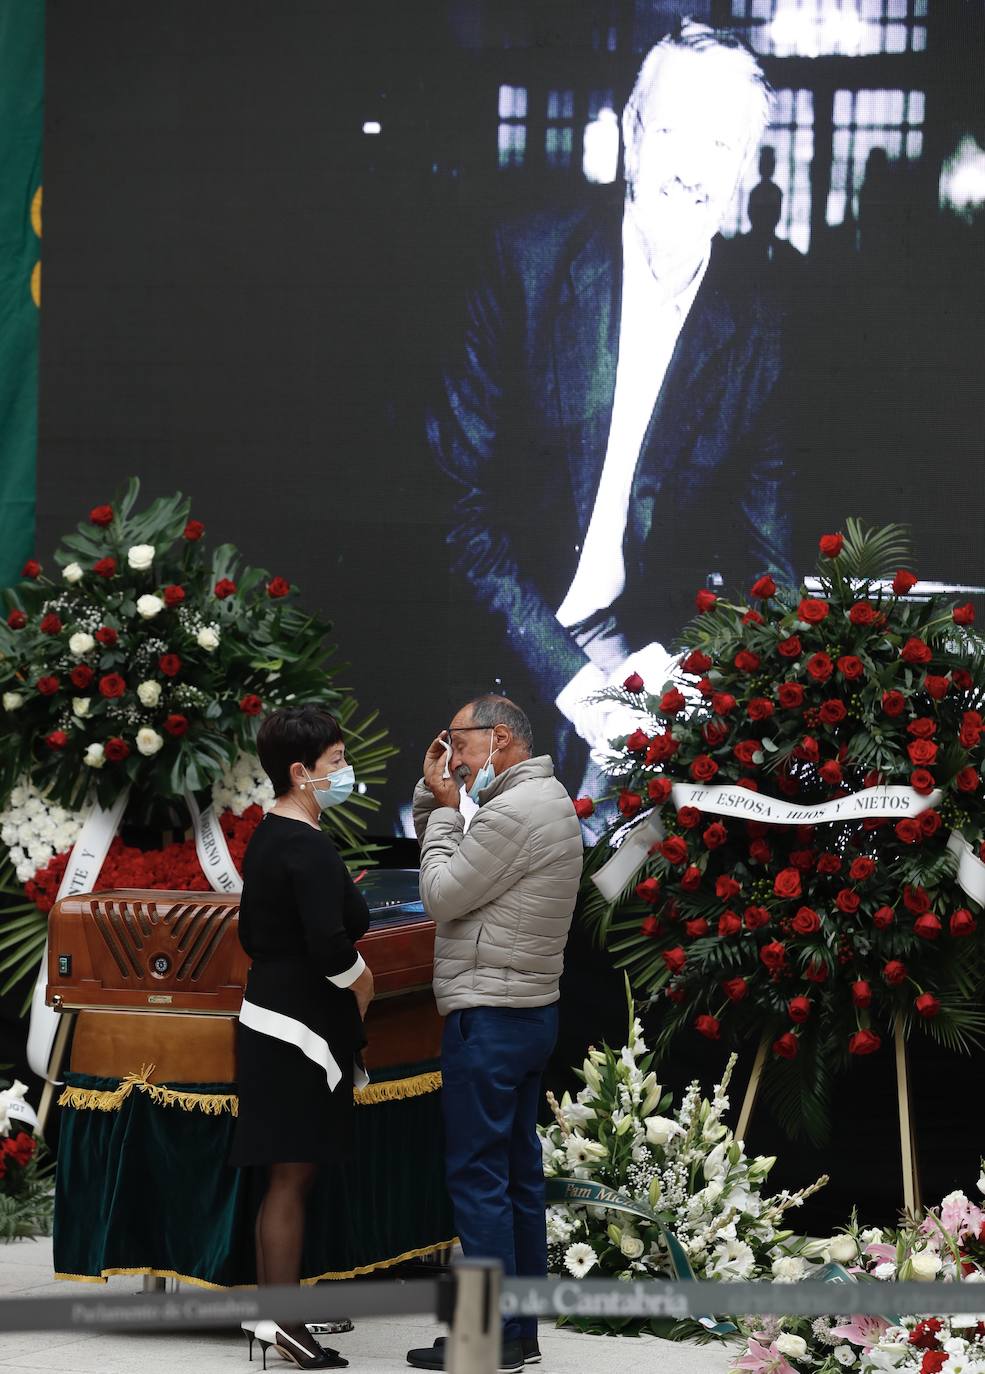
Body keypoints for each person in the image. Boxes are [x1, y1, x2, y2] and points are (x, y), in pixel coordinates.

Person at [426, 20, 797, 795]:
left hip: (633, 649)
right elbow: (455, 513)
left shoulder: (758, 323)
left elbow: (768, 569)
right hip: (490, 630)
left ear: (743, 166)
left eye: (721, 146)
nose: (694, 170)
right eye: (672, 134)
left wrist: (725, 690)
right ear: (631, 134)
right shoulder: (524, 263)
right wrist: (578, 688)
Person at [405, 696, 583, 1373]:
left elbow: (444, 893)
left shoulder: (511, 811)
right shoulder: (545, 797)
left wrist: (445, 808)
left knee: (478, 1181)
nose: (451, 752)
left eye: (458, 739)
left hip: (491, 1016)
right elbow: (458, 863)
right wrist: (436, 802)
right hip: (526, 1012)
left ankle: (485, 1340)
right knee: (514, 1180)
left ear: (498, 737)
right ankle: (516, 1333)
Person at [230, 704, 375, 1371]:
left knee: (285, 1175)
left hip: (268, 1017)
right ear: (299, 772)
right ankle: (283, 1327)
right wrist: (362, 982)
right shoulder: (308, 846)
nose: (346, 772)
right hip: (301, 1030)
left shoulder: (270, 836)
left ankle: (273, 1316)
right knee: (290, 1177)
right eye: (337, 763)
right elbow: (327, 945)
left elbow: (261, 931)